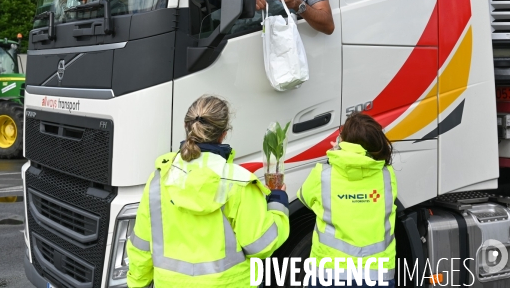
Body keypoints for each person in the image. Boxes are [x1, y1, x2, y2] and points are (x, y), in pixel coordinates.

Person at [127, 95, 290, 287]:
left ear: (186, 126)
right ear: (224, 133)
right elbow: (262, 246)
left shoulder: (159, 179)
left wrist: (137, 284)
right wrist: (278, 203)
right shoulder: (239, 182)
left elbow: (141, 248)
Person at [297, 112, 397, 287]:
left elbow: (305, 199)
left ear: (342, 141)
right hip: (377, 276)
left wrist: (335, 158)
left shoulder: (322, 174)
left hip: (328, 275)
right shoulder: (387, 176)